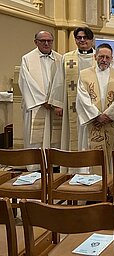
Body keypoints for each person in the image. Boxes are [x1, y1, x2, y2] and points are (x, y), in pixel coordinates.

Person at [76, 43, 114, 174]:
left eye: (107, 57)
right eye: (101, 56)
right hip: (93, 121)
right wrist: (96, 115)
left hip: (110, 121)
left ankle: (110, 183)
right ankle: (91, 184)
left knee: (111, 153)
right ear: (95, 56)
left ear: (112, 58)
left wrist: (108, 115)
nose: (104, 60)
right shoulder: (84, 74)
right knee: (91, 154)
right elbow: (83, 98)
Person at [49, 27, 96, 158]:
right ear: (75, 40)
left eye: (85, 37)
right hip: (73, 105)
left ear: (91, 39)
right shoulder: (68, 57)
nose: (82, 40)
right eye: (79, 38)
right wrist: (58, 103)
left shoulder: (99, 57)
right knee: (74, 135)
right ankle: (73, 166)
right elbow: (59, 81)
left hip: (94, 105)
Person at [18, 31, 62, 170]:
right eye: (43, 40)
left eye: (49, 40)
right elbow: (26, 82)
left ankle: (55, 167)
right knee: (36, 141)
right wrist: (44, 101)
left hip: (55, 107)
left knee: (55, 140)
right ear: (35, 42)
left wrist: (56, 101)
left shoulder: (60, 59)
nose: (47, 43)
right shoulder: (27, 59)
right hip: (37, 107)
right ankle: (36, 169)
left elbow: (63, 82)